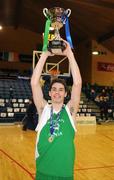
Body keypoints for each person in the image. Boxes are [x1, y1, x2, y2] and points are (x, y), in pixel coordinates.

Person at [31, 40, 82, 180]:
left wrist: (70, 54)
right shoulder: (43, 110)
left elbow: (77, 84)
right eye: (54, 89)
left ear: (66, 94)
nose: (57, 92)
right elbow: (34, 83)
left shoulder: (70, 111)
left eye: (61, 90)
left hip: (65, 174)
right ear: (49, 93)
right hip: (43, 172)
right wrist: (45, 55)